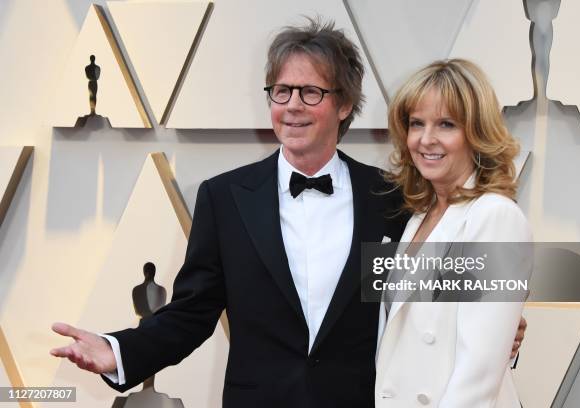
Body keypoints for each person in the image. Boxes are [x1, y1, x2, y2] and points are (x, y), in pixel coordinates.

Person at [50, 21, 525, 408]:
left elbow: (443, 319)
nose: (292, 106)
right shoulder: (224, 198)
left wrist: (507, 330)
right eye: (281, 91)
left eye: (311, 92)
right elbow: (191, 313)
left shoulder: (394, 201)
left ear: (344, 104)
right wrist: (117, 352)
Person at [375, 59, 531, 407]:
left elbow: (478, 375)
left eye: (446, 124)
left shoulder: (495, 217)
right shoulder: (416, 218)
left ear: (476, 133)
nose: (426, 139)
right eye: (417, 123)